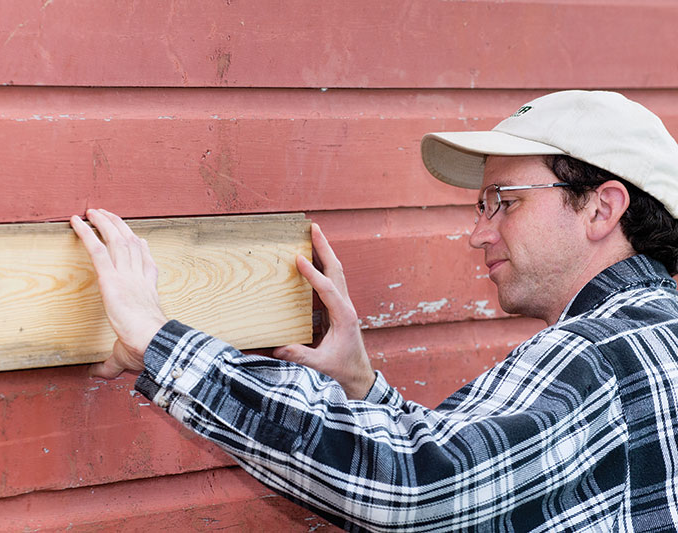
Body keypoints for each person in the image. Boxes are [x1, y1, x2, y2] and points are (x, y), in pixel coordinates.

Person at [70, 90, 678, 532]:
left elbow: (415, 490)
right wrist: (361, 388)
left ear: (603, 209)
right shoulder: (657, 334)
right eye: (480, 205)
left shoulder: (597, 358)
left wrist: (158, 338)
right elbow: (491, 478)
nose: (478, 234)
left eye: (504, 202)